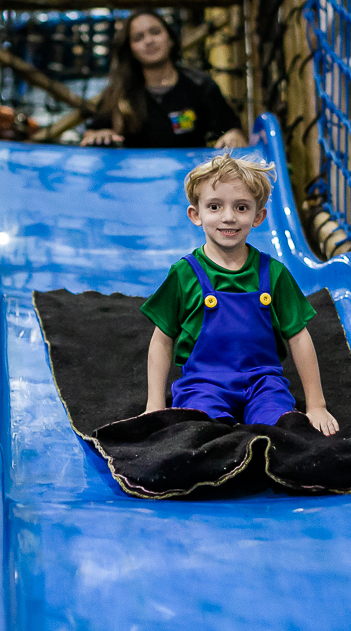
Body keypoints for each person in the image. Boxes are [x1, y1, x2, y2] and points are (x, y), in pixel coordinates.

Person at [141, 155, 340, 434]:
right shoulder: (184, 274)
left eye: (242, 207)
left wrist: (316, 405)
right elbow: (162, 340)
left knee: (285, 430)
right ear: (195, 214)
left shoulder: (273, 273)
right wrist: (154, 404)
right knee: (200, 431)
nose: (228, 217)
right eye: (214, 206)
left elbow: (299, 337)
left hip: (263, 382)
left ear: (258, 216)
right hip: (204, 383)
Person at [81, 10, 250, 149]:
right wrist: (99, 136)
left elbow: (232, 131)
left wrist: (233, 135)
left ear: (170, 39)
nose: (149, 41)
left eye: (155, 32)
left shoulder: (200, 85)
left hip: (190, 179)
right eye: (138, 38)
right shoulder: (120, 92)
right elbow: (91, 135)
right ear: (131, 50)